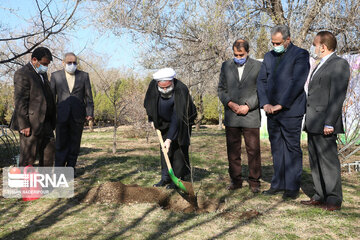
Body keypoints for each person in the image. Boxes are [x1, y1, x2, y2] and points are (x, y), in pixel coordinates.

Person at [257, 25, 310, 199]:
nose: (275, 46)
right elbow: (261, 81)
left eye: (278, 42)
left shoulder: (300, 54)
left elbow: (296, 82)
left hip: (291, 110)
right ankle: (278, 183)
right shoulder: (268, 56)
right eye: (273, 42)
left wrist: (281, 104)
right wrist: (265, 103)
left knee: (292, 148)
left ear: (288, 40)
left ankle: (292, 186)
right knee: (276, 148)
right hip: (271, 111)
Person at [301, 31, 350, 211]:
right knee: (315, 160)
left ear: (323, 46)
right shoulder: (319, 65)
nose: (313, 47)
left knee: (328, 162)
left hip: (325, 123)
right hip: (313, 121)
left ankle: (333, 199)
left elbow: (337, 96)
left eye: (315, 44)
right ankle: (319, 195)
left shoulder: (339, 64)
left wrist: (330, 122)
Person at [218, 39, 262, 193]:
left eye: (241, 54)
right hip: (232, 116)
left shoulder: (258, 66)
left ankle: (254, 182)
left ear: (248, 52)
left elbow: (262, 90)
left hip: (251, 115)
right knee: (233, 151)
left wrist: (248, 106)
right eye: (235, 55)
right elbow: (221, 90)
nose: (238, 57)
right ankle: (236, 180)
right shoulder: (226, 66)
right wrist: (230, 104)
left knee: (253, 150)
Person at [144, 68, 197, 189]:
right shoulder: (153, 85)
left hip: (182, 121)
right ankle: (165, 177)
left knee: (178, 148)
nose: (164, 90)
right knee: (164, 150)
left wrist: (169, 139)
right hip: (162, 122)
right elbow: (149, 103)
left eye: (167, 87)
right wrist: (151, 118)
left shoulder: (181, 90)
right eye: (161, 87)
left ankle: (177, 179)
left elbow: (177, 117)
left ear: (172, 82)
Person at [10, 47, 56, 167]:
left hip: (46, 124)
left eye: (47, 64)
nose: (46, 67)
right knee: (28, 160)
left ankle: (45, 185)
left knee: (48, 158)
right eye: (44, 64)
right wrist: (24, 124)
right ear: (34, 60)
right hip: (30, 124)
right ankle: (25, 185)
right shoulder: (22, 74)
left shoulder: (43, 74)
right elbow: (20, 101)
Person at [50, 52, 94, 176]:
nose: (72, 65)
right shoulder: (55, 76)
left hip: (78, 115)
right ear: (63, 63)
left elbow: (89, 97)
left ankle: (70, 169)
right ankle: (59, 171)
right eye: (69, 63)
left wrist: (89, 112)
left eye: (74, 63)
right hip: (61, 115)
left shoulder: (84, 76)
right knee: (60, 144)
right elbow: (51, 98)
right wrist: (51, 115)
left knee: (74, 144)